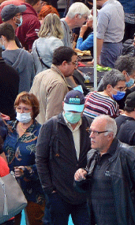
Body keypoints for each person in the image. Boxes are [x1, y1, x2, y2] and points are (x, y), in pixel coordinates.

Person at [74, 114, 135, 225]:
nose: (91, 136)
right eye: (90, 131)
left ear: (110, 136)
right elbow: (86, 189)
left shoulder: (130, 156)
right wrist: (80, 179)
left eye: (96, 132)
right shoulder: (92, 155)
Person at [36, 91, 92, 225]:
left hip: (83, 193)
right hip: (58, 194)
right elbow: (40, 159)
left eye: (76, 111)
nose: (73, 114)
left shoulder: (90, 126)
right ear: (63, 106)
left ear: (84, 109)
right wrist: (49, 189)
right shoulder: (50, 126)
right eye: (69, 110)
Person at [3, 93, 45, 225]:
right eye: (19, 108)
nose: (22, 111)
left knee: (35, 221)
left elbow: (44, 162)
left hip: (33, 188)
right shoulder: (8, 128)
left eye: (26, 109)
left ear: (34, 111)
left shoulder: (41, 131)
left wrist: (26, 170)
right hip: (10, 186)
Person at [28, 46, 79, 123]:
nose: (75, 67)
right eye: (74, 63)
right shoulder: (59, 84)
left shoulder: (40, 75)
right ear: (64, 63)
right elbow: (53, 118)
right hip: (46, 131)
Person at [92, 0, 126, 67]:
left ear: (95, 2)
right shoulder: (117, 4)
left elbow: (100, 36)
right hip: (119, 44)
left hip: (108, 47)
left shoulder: (103, 12)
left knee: (108, 74)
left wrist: (96, 57)